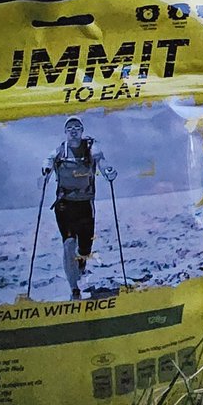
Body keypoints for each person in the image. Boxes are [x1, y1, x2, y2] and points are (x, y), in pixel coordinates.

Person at [43, 117, 117, 299]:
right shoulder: (60, 151)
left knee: (85, 248)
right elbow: (48, 161)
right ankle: (74, 288)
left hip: (85, 204)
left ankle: (81, 263)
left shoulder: (91, 147)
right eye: (70, 128)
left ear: (82, 130)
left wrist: (108, 171)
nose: (73, 130)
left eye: (77, 127)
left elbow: (101, 161)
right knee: (68, 244)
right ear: (65, 132)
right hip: (64, 204)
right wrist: (45, 171)